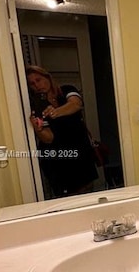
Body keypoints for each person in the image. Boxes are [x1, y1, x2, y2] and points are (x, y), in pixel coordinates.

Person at [26, 65, 98, 198]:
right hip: (59, 161)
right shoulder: (37, 105)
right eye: (32, 83)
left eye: (39, 79)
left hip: (81, 156)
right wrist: (38, 129)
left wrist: (55, 112)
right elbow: (48, 138)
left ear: (47, 77)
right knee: (66, 202)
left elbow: (76, 104)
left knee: (88, 196)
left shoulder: (66, 91)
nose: (37, 85)